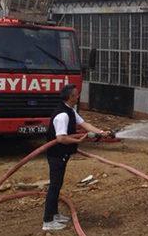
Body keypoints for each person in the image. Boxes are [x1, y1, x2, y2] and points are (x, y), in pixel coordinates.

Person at [42, 84, 109, 231]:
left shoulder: (70, 110)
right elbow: (60, 138)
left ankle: (55, 215)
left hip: (63, 154)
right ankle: (47, 221)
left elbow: (85, 124)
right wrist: (78, 141)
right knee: (54, 186)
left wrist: (102, 132)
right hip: (56, 155)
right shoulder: (63, 115)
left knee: (57, 185)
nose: (78, 96)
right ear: (70, 97)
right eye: (76, 94)